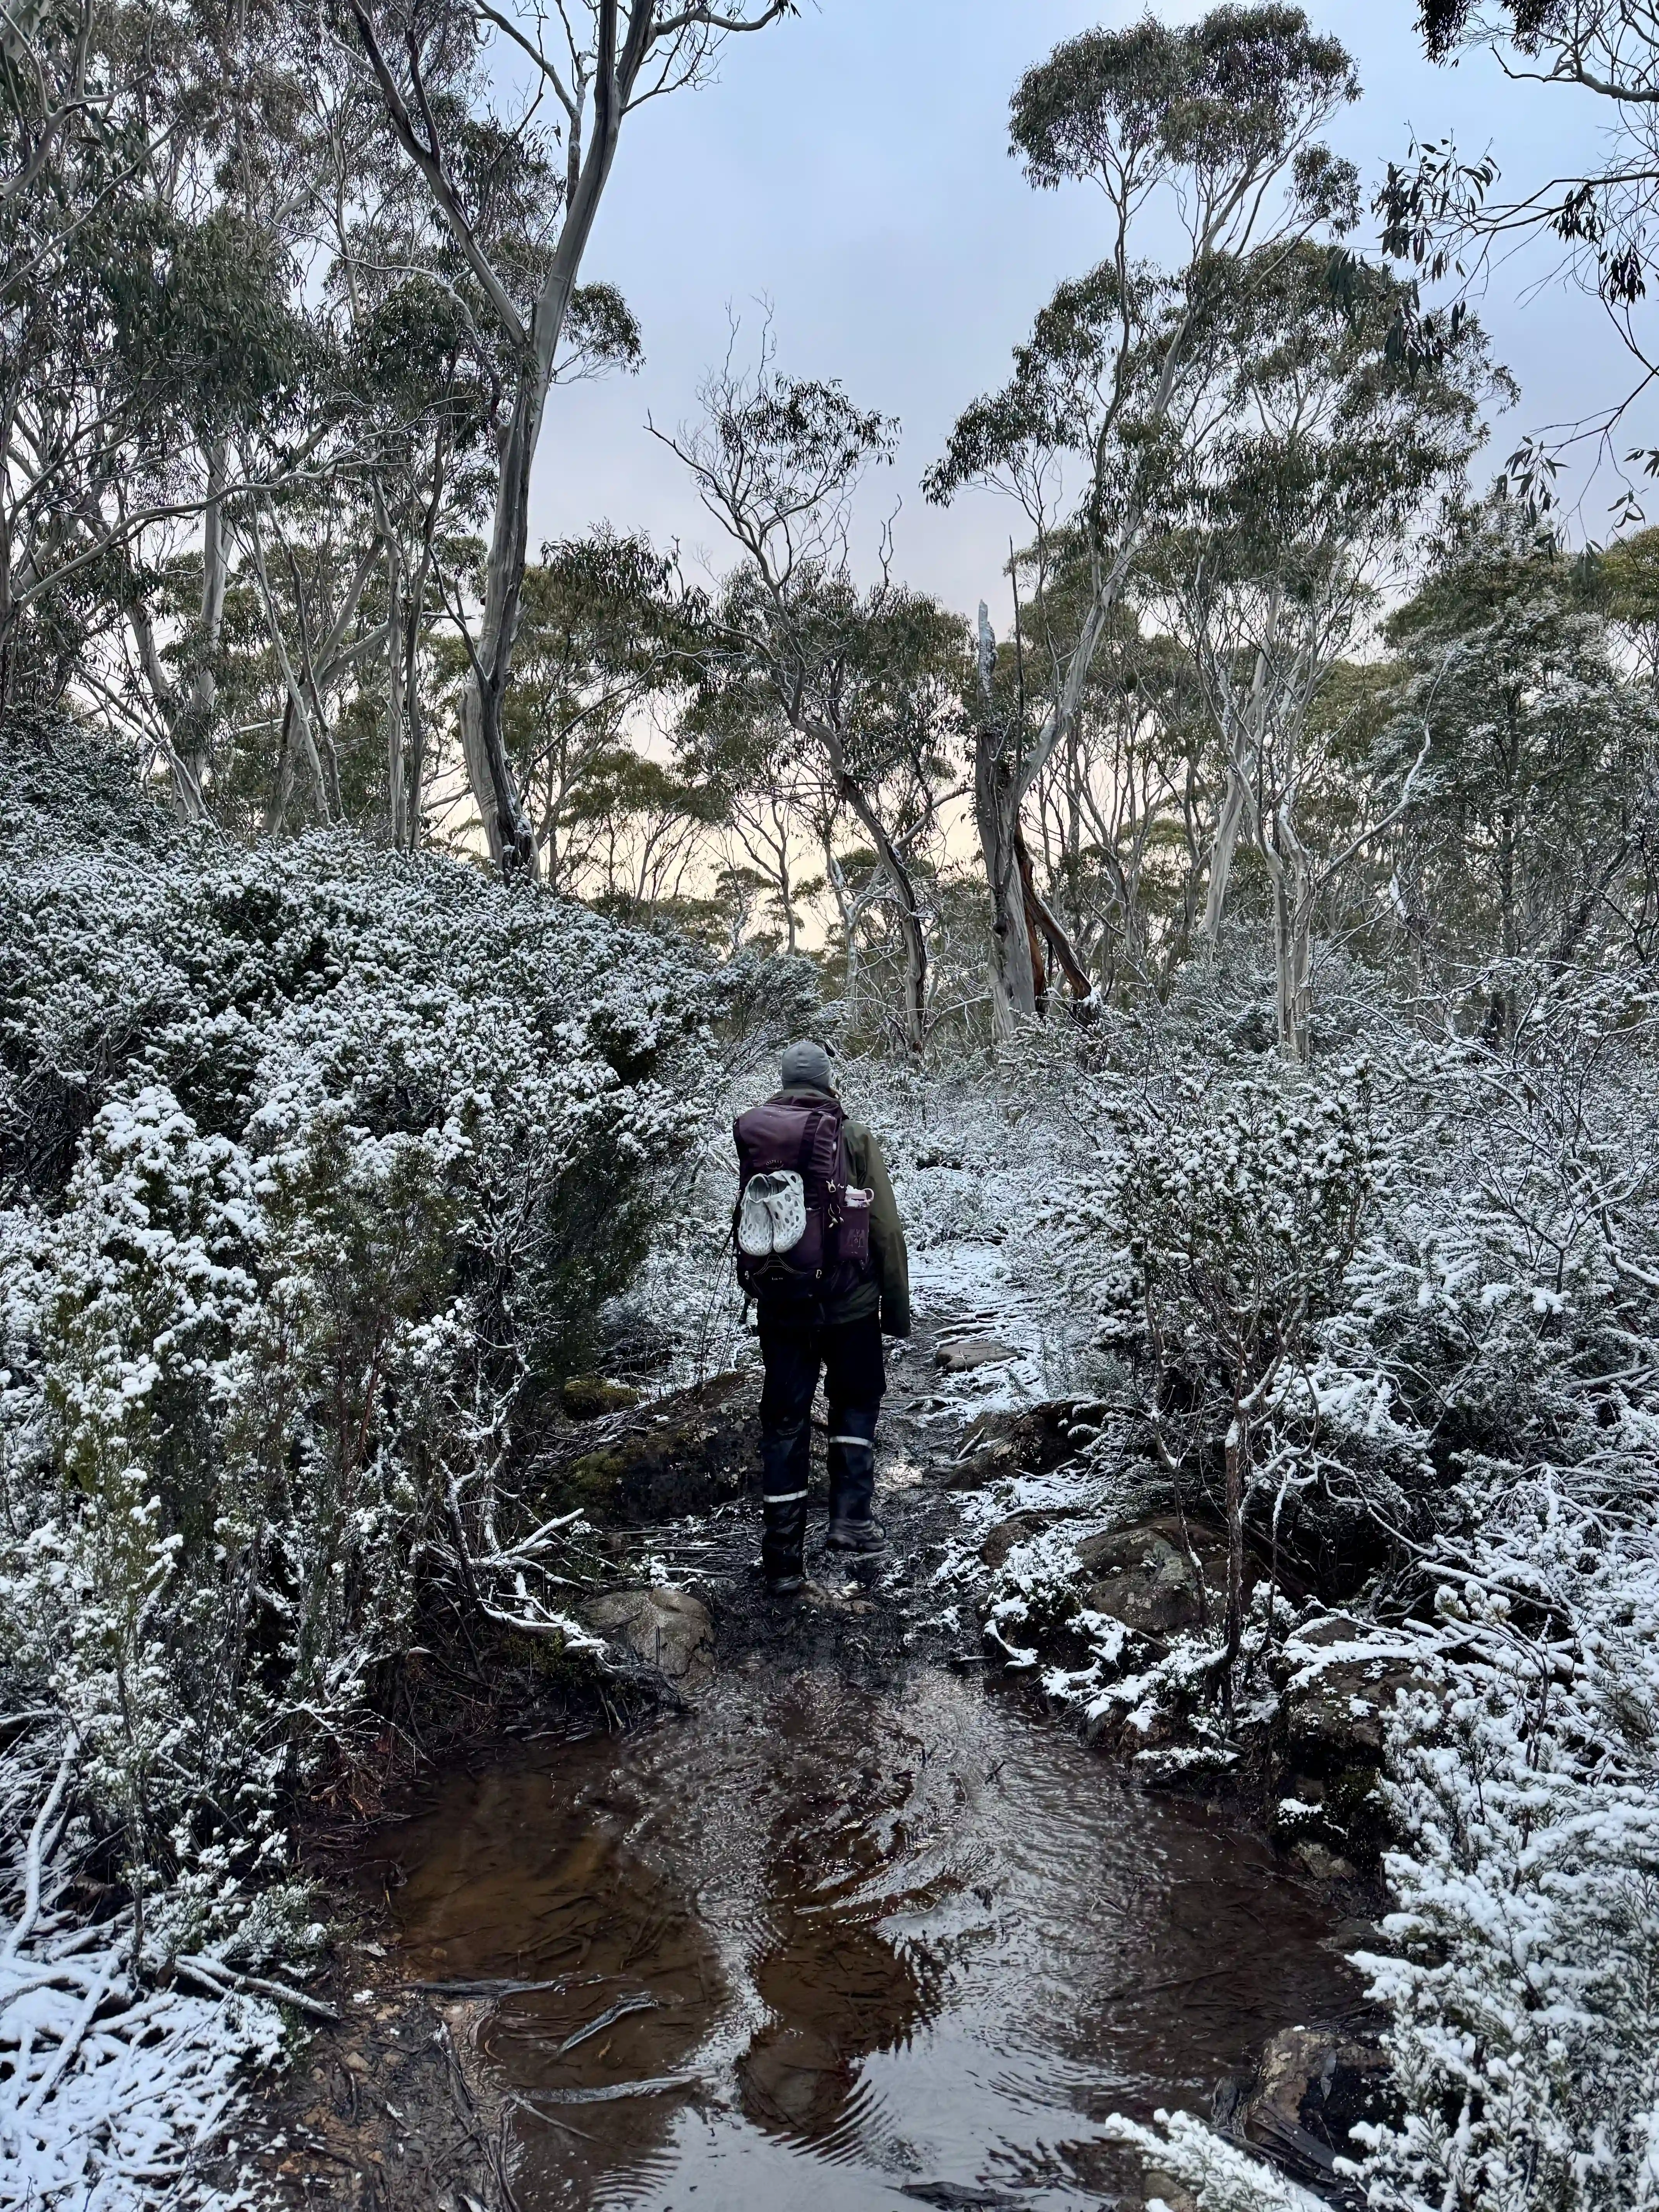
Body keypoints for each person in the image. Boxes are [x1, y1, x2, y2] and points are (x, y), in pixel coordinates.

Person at [737, 1039, 910, 1594]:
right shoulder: (852, 1134)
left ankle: (783, 1560)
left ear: (785, 1081)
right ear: (829, 1081)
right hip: (850, 1305)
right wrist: (896, 1313)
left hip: (782, 1305)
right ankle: (852, 1524)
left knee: (785, 1421)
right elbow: (885, 1229)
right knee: (855, 1403)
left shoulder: (760, 1135)